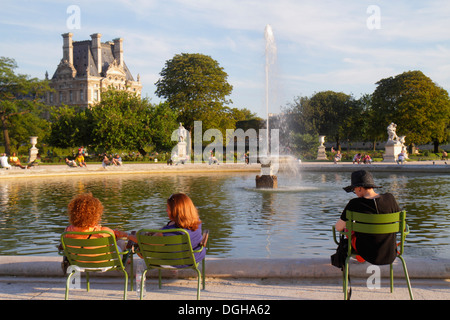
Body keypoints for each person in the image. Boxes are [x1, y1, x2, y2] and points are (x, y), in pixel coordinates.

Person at [334, 170, 401, 265]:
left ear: (360, 188)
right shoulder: (390, 198)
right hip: (389, 253)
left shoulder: (354, 203)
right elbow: (399, 222)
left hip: (365, 253)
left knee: (348, 228)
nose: (355, 192)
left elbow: (338, 227)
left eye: (354, 190)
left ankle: (359, 258)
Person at [60, 193, 129, 272]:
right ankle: (126, 261)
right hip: (104, 264)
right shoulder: (105, 232)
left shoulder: (68, 231)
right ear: (96, 214)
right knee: (121, 242)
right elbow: (115, 238)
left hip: (79, 264)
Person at [129, 193, 206, 264]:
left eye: (168, 208)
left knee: (139, 241)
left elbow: (145, 242)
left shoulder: (168, 232)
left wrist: (127, 235)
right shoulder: (197, 222)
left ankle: (128, 255)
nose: (166, 210)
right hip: (195, 258)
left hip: (173, 262)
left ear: (175, 211)